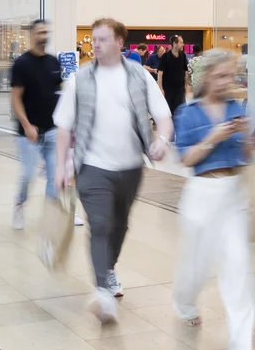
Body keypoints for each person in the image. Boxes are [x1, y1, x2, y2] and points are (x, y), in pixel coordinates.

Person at [55, 17, 173, 325]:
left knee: (120, 226)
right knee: (101, 225)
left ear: (121, 43)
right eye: (94, 39)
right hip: (92, 167)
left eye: (103, 39)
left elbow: (163, 115)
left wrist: (161, 140)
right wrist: (60, 167)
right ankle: (103, 293)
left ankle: (108, 269)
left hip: (131, 167)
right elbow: (64, 126)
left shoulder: (138, 76)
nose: (96, 44)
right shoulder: (79, 79)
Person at [171, 49, 255, 346]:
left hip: (234, 193)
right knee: (196, 265)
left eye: (229, 75)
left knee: (237, 264)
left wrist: (247, 137)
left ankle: (241, 340)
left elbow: (247, 155)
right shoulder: (188, 113)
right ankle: (185, 301)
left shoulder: (237, 109)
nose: (225, 81)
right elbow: (187, 159)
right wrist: (213, 138)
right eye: (220, 76)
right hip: (203, 193)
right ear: (206, 77)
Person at [8, 19, 63, 231]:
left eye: (46, 32)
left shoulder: (53, 62)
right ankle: (19, 205)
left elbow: (57, 94)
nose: (44, 35)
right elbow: (16, 98)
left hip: (52, 130)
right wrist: (27, 125)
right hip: (27, 133)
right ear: (32, 35)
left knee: (53, 175)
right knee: (28, 174)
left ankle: (51, 215)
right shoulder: (21, 64)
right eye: (40, 32)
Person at [157, 35, 190, 116]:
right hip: (168, 90)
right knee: (169, 112)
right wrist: (161, 89)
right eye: (181, 42)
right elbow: (160, 73)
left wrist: (187, 86)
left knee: (181, 111)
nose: (183, 44)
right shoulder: (166, 56)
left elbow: (186, 71)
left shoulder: (183, 55)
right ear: (174, 44)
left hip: (180, 89)